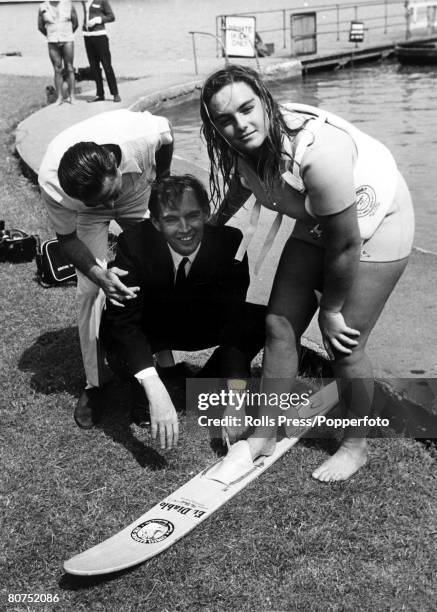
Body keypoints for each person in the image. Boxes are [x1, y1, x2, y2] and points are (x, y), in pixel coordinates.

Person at [200, 64, 415, 482]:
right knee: (279, 324)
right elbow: (245, 179)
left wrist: (331, 308)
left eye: (247, 109)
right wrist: (215, 223)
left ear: (265, 100)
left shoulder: (320, 154)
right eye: (225, 119)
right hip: (323, 216)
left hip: (377, 220)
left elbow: (346, 243)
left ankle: (356, 447)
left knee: (345, 344)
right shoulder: (237, 141)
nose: (239, 125)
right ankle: (264, 434)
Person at [100, 174, 265, 450]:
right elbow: (125, 323)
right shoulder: (134, 243)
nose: (185, 228)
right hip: (153, 324)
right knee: (112, 330)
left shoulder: (231, 243)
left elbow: (235, 324)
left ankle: (201, 385)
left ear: (207, 213)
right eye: (171, 219)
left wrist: (237, 400)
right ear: (155, 222)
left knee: (258, 320)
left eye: (193, 215)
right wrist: (153, 385)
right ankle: (158, 386)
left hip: (201, 323)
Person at [38, 109, 174, 428]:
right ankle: (95, 383)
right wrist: (100, 275)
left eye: (108, 196)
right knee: (88, 291)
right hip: (86, 214)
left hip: (136, 189)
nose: (108, 207)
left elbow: (168, 134)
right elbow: (67, 239)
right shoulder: (51, 180)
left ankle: (160, 366)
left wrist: (163, 180)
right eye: (100, 201)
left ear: (112, 166)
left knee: (154, 272)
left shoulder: (142, 135)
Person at [38, 0, 78, 105]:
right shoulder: (42, 7)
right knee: (57, 69)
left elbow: (75, 23)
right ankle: (59, 97)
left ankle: (72, 97)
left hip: (67, 40)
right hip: (52, 41)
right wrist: (51, 35)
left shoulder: (69, 4)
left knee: (69, 68)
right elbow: (40, 27)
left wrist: (66, 34)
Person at [82, 0, 120, 103]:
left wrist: (98, 20)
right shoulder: (83, 1)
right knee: (94, 67)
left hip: (100, 36)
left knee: (107, 66)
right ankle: (100, 94)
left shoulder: (102, 1)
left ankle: (115, 94)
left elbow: (111, 17)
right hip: (87, 37)